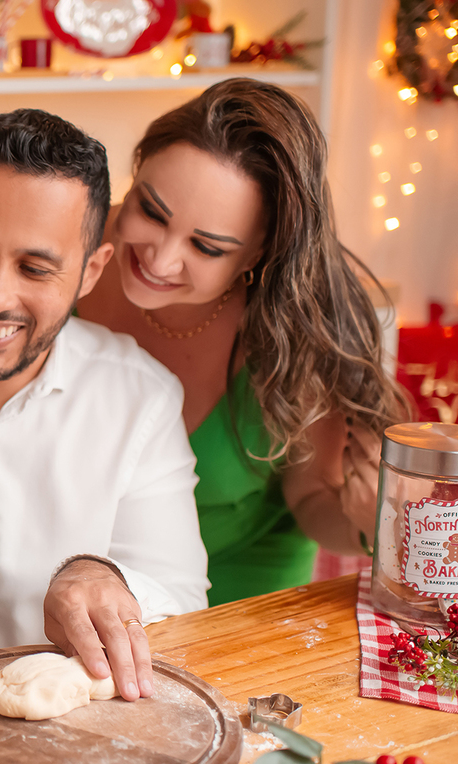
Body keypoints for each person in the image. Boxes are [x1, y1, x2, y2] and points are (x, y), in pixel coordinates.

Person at [0, 109, 210, 702]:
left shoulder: (141, 400)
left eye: (35, 268)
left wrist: (104, 578)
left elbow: (180, 600)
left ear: (90, 270)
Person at [77, 79, 411, 605]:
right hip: (73, 580)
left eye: (207, 247)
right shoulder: (73, 243)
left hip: (239, 599)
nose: (160, 260)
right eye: (150, 210)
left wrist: (365, 523)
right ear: (136, 172)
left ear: (257, 254)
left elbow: (312, 502)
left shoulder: (295, 327)